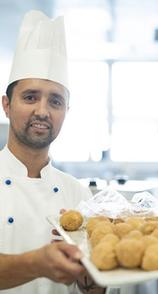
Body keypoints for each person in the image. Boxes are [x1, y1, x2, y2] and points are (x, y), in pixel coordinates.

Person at [0, 10, 103, 294]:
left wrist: (91, 274)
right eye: (30, 97)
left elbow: (91, 289)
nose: (42, 111)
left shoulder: (78, 195)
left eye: (55, 101)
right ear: (6, 105)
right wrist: (37, 263)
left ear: (66, 112)